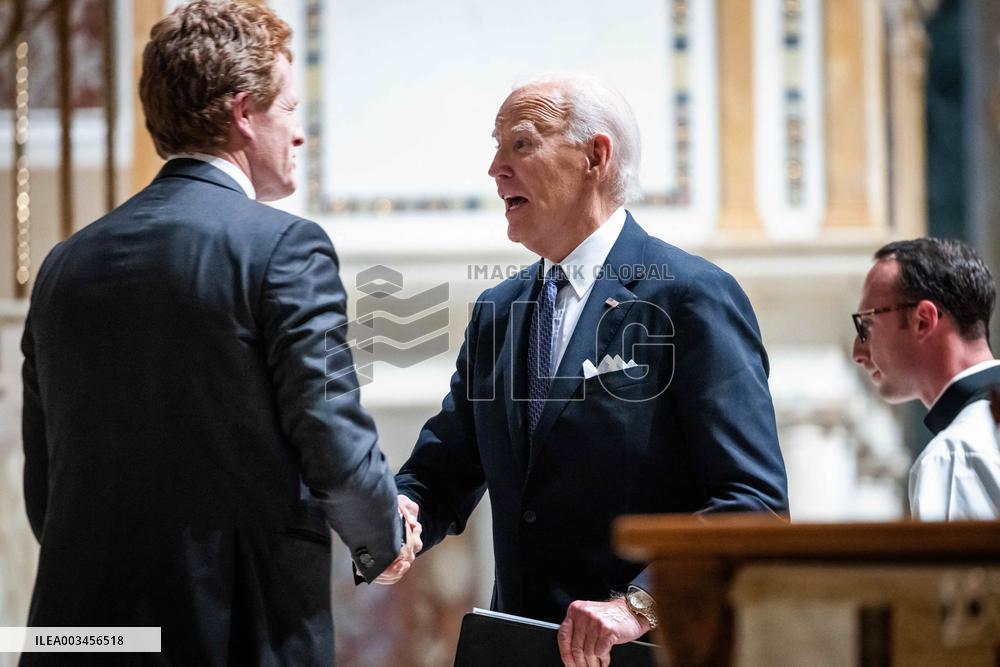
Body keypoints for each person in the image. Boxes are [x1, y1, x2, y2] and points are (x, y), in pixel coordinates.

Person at [20, 2, 419, 664]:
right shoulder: (284, 247)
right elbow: (330, 431)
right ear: (243, 113)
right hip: (232, 632)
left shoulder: (65, 263)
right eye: (290, 109)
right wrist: (383, 534)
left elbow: (46, 491)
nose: (300, 135)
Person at [393, 73, 788, 667]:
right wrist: (397, 512)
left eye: (520, 144)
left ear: (595, 156)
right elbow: (441, 474)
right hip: (516, 653)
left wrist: (637, 606)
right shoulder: (497, 312)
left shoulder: (690, 296)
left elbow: (753, 503)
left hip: (648, 653)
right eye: (496, 146)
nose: (495, 168)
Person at [852, 238, 1000, 520]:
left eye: (866, 325)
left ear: (923, 320)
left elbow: (966, 566)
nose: (857, 352)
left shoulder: (955, 455)